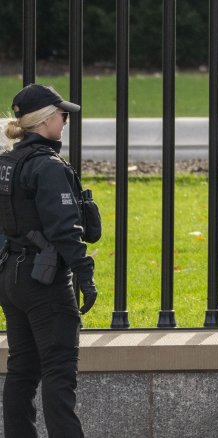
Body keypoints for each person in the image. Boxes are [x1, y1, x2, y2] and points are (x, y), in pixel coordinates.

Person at [0, 84, 100, 438]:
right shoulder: (48, 167)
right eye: (62, 115)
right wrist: (85, 275)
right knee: (59, 373)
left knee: (22, 371)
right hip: (44, 282)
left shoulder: (8, 163)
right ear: (44, 120)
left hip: (12, 279)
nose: (65, 121)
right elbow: (64, 230)